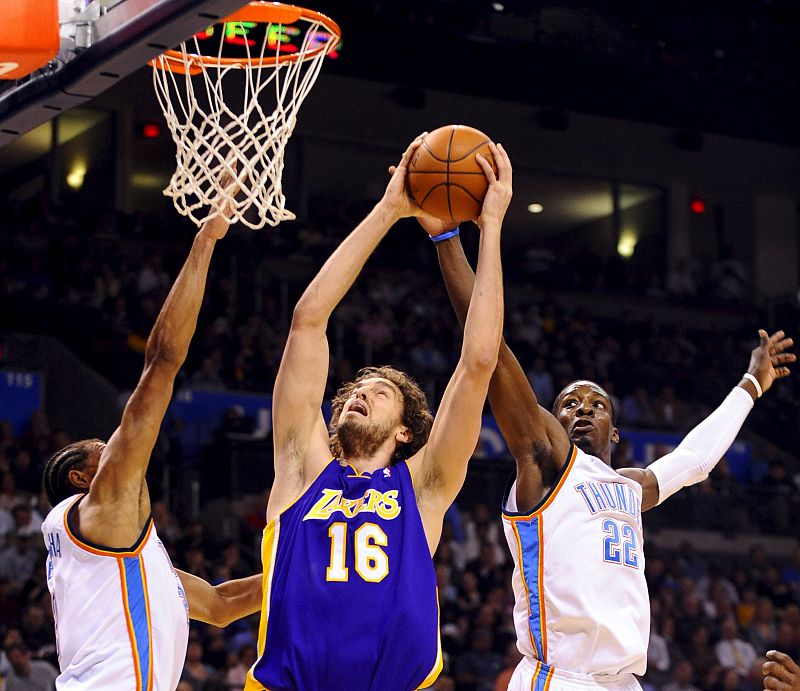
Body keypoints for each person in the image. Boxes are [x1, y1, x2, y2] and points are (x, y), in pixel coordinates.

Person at [432, 230, 795, 691]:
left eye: (597, 405)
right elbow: (492, 352)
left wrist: (752, 384)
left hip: (623, 682)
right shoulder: (547, 466)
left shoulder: (630, 487)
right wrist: (446, 239)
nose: (583, 409)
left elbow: (695, 458)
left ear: (616, 431)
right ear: (552, 423)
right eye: (569, 404)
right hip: (560, 677)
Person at [241, 134, 512, 690]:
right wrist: (389, 210)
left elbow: (479, 362)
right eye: (355, 390)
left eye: (380, 392)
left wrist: (490, 229)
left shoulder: (425, 487)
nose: (360, 394)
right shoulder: (301, 469)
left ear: (405, 430)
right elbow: (307, 321)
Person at [39, 175, 262, 690]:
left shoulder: (124, 560)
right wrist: (207, 239)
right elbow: (162, 359)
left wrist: (313, 564)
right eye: (102, 449)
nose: (117, 446)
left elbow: (222, 605)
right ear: (81, 478)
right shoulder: (102, 508)